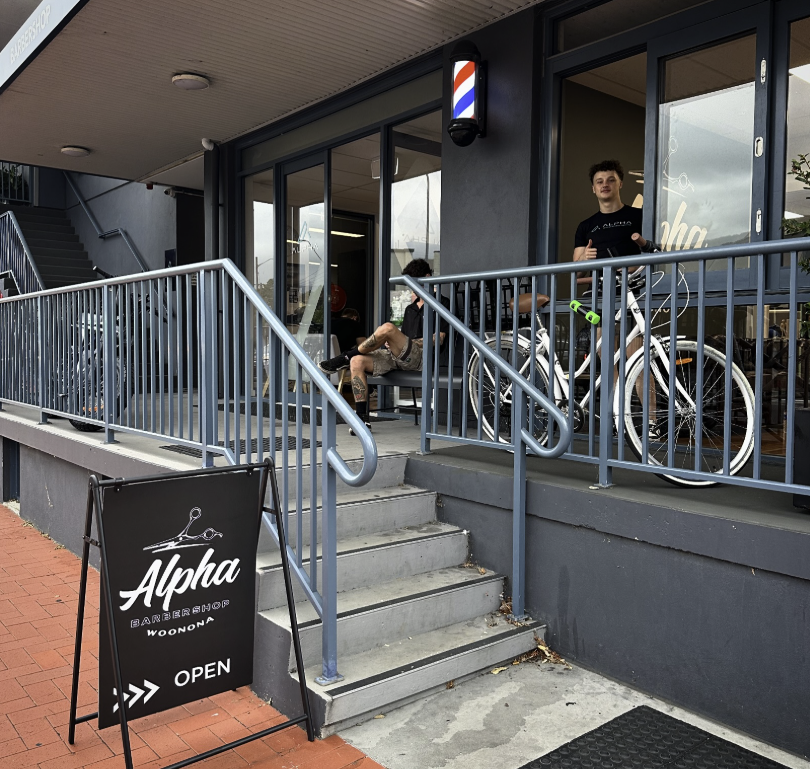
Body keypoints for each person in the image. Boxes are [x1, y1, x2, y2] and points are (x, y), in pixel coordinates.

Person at [573, 160, 659, 440]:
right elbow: (575, 266)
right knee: (608, 362)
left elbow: (651, 251)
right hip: (599, 297)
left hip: (632, 295)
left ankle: (651, 425)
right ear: (593, 189)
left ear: (621, 183)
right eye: (599, 181)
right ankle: (616, 419)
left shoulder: (639, 215)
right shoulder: (586, 226)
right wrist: (582, 258)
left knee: (638, 360)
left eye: (610, 179)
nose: (605, 184)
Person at [318, 259, 448, 431]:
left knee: (387, 328)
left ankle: (343, 357)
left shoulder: (442, 303)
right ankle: (362, 418)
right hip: (399, 357)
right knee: (357, 361)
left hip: (421, 359)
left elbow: (437, 339)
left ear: (427, 277)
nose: (412, 288)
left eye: (414, 283)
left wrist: (401, 340)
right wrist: (394, 342)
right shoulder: (410, 308)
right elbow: (405, 338)